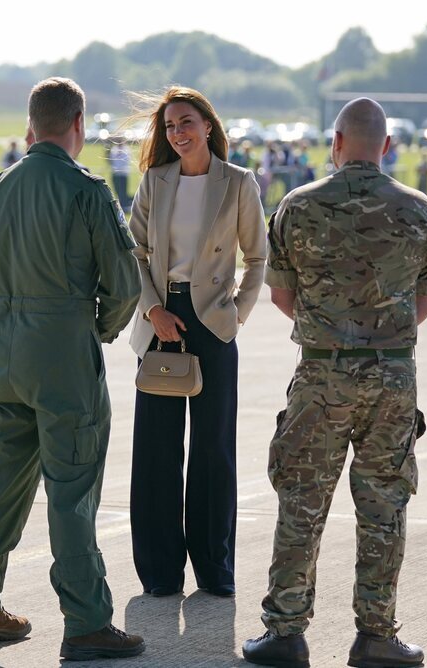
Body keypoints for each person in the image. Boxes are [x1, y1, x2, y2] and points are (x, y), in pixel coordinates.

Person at [242, 97, 427, 668]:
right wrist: (381, 335)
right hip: (392, 372)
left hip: (321, 371)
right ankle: (376, 635)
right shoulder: (417, 209)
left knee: (302, 501)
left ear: (335, 142)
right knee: (384, 504)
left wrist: (329, 331)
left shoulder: (298, 206)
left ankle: (285, 632)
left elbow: (281, 295)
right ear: (385, 146)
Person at [0, 77, 144, 661]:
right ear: (78, 124)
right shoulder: (87, 189)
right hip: (63, 354)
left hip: (7, 351)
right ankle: (86, 619)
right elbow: (125, 284)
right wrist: (99, 329)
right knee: (73, 488)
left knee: (1, 482)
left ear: (32, 124)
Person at [127, 86, 266, 599]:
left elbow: (259, 257)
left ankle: (215, 569)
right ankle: (160, 574)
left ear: (208, 125)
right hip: (160, 321)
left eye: (186, 122)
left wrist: (236, 317)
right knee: (157, 451)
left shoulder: (238, 183)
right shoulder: (154, 181)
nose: (178, 133)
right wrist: (152, 309)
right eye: (169, 127)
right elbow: (134, 253)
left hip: (212, 323)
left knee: (213, 451)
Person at [108, 142, 132, 209]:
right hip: (115, 173)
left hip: (123, 173)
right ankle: (119, 205)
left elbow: (126, 160)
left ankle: (124, 205)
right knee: (116, 190)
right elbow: (111, 160)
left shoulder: (126, 149)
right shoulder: (114, 149)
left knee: (123, 191)